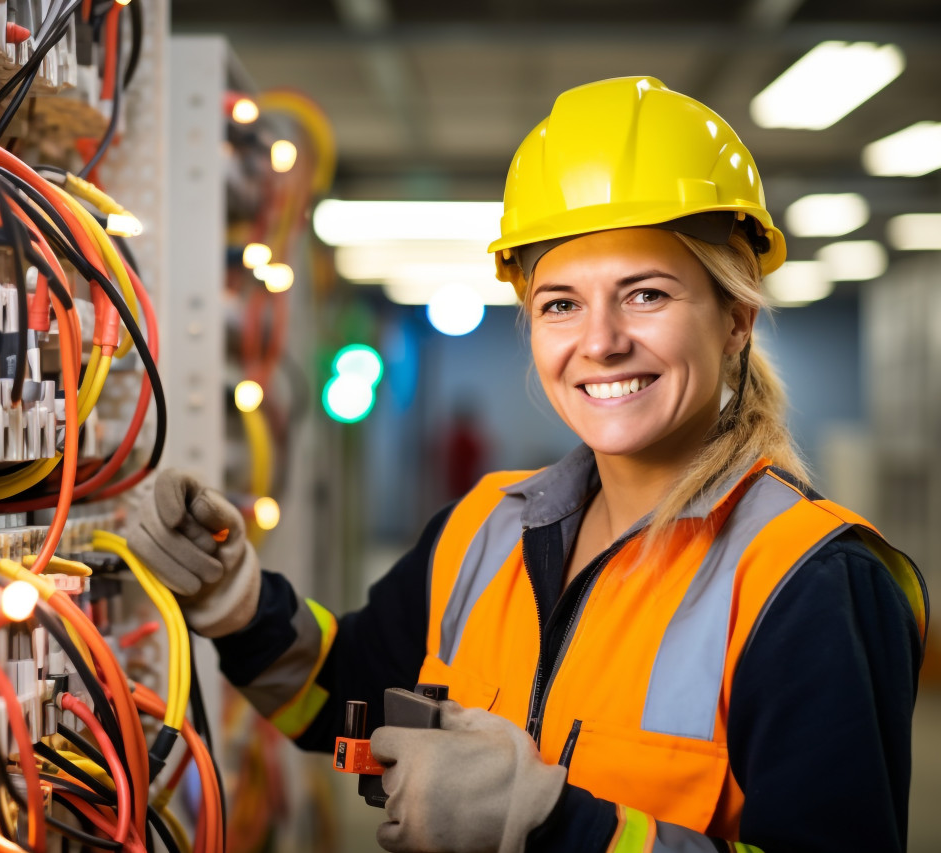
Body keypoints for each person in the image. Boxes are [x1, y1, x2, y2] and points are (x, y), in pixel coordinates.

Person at [125, 77, 929, 853]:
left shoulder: (810, 583)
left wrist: (548, 824)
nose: (601, 339)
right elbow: (348, 698)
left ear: (735, 319)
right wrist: (237, 601)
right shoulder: (486, 526)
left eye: (646, 293)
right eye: (561, 303)